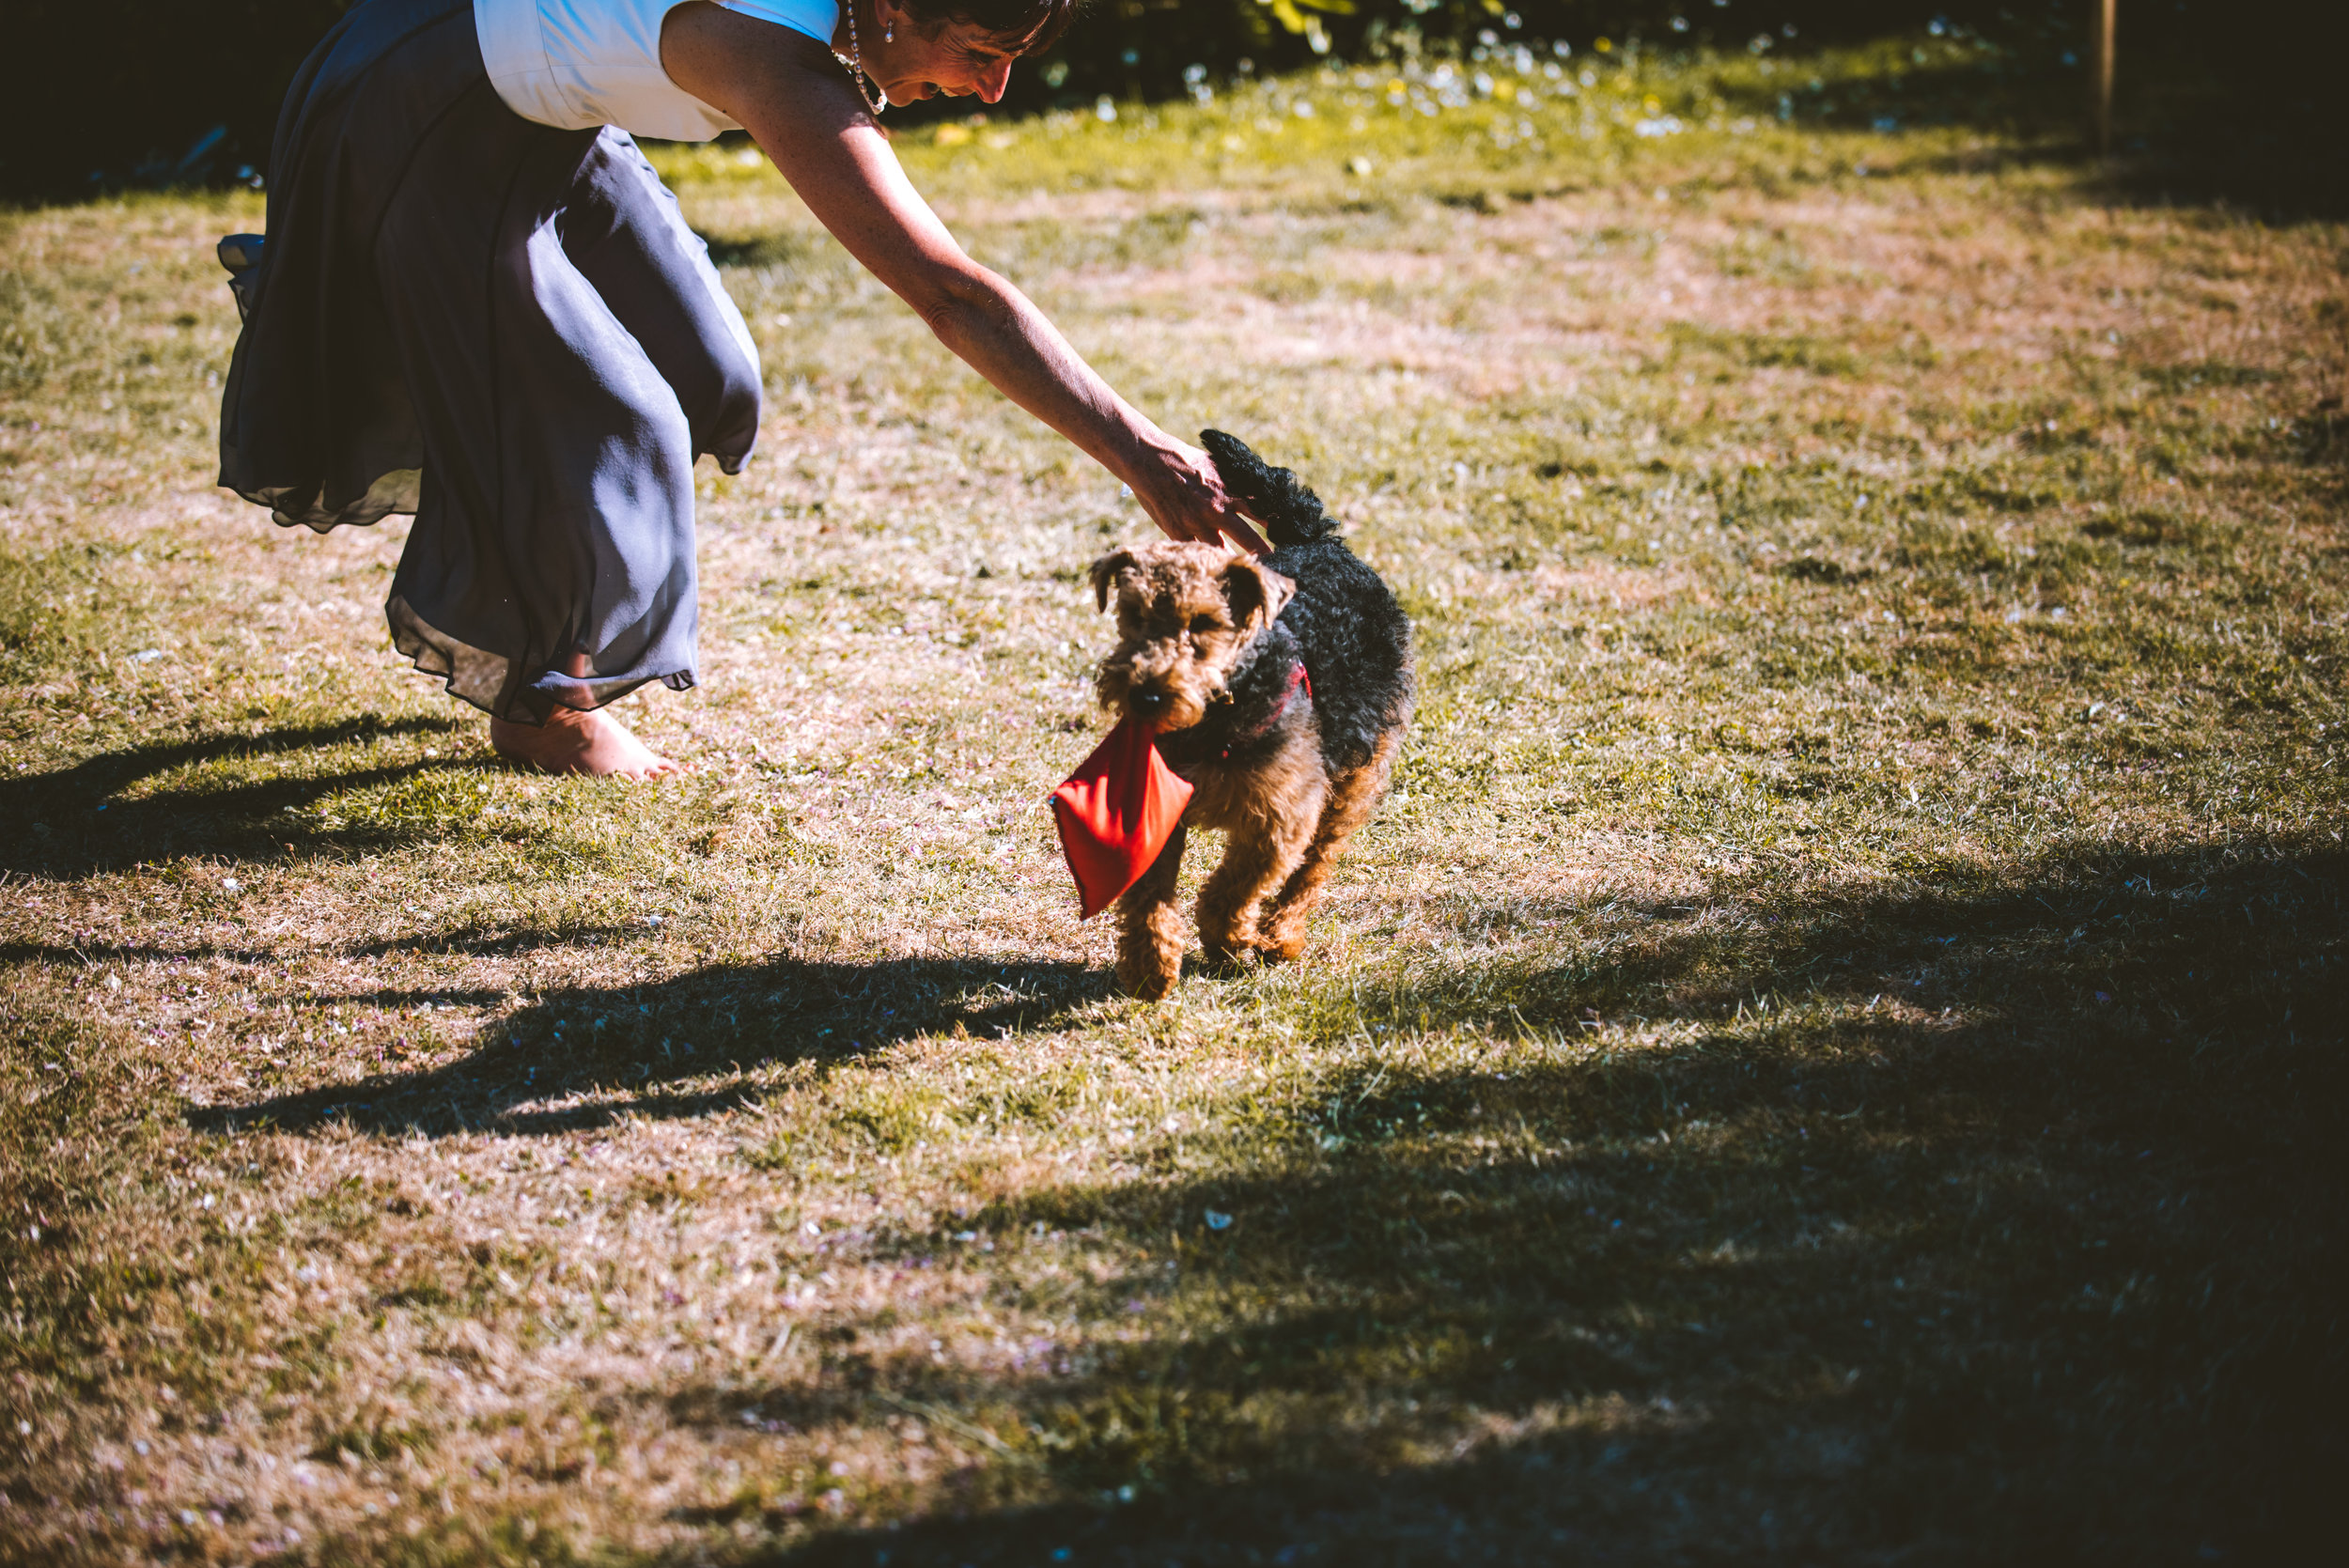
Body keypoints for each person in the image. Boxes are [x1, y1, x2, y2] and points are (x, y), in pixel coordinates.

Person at [219, 0, 1266, 778]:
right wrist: (1147, 455)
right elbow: (952, 296)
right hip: (425, 104)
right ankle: (546, 703)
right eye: (981, 55)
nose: (995, 90)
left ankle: (506, 492)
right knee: (613, 417)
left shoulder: (838, 27)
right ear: (893, 10)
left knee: (706, 370)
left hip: (552, 118)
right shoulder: (776, 57)